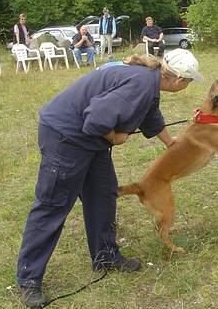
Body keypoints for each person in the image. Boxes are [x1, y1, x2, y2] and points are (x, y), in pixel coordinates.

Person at [16, 49, 203, 308]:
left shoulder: (149, 80)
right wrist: (116, 137)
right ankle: (28, 279)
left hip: (89, 141)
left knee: (103, 195)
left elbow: (150, 115)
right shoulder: (141, 83)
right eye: (189, 82)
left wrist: (171, 143)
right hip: (65, 137)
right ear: (179, 81)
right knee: (53, 205)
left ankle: (105, 256)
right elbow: (95, 119)